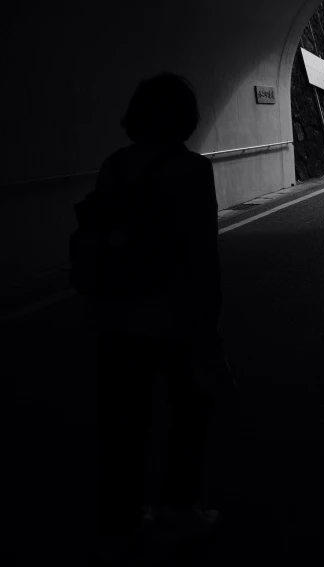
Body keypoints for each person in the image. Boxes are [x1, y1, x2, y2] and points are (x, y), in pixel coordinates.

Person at [84, 73, 224, 563]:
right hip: (175, 316)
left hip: (117, 314)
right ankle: (178, 512)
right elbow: (202, 252)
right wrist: (209, 323)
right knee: (188, 415)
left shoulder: (114, 166)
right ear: (185, 118)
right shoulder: (192, 170)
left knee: (123, 422)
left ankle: (121, 521)